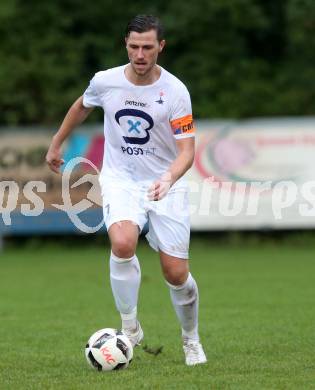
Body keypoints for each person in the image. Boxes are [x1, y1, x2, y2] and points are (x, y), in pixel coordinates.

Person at [46, 14, 207, 366]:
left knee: (176, 273)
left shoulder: (176, 91)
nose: (140, 54)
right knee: (121, 243)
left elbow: (187, 151)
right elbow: (81, 106)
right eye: (134, 46)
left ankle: (191, 339)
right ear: (126, 45)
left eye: (147, 47)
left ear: (160, 47)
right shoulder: (106, 82)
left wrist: (168, 179)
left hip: (165, 183)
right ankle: (129, 326)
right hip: (120, 180)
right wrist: (57, 143)